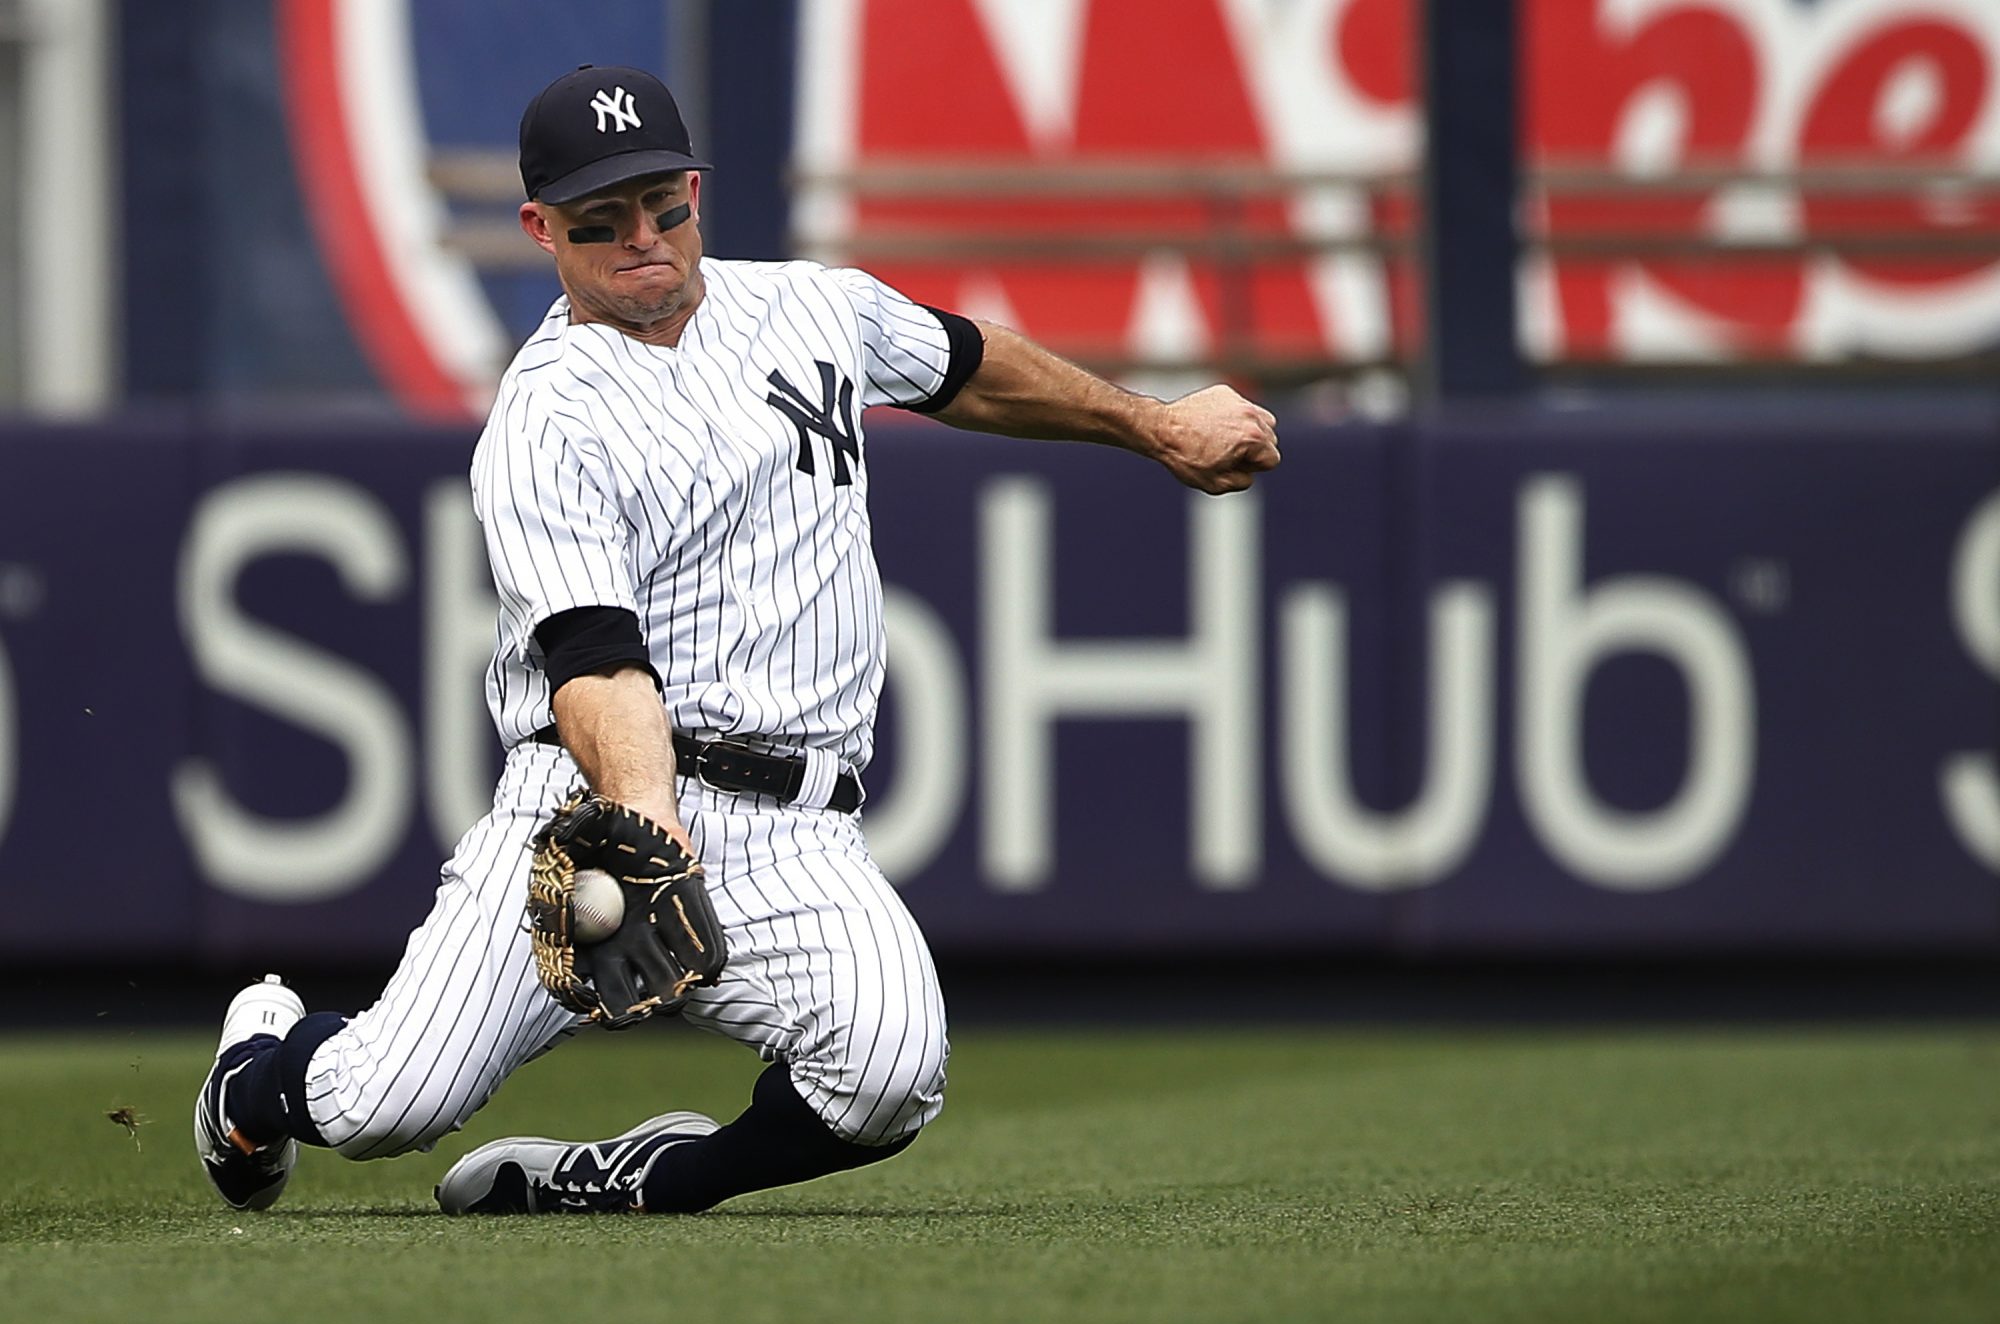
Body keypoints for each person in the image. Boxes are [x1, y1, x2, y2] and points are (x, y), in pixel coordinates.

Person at [193, 64, 1279, 1216]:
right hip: (583, 811)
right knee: (384, 1102)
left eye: (664, 207)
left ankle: (639, 1177)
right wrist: (642, 818)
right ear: (539, 228)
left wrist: (1153, 424)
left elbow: (968, 370)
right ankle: (254, 1078)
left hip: (795, 828)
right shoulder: (542, 416)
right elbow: (596, 661)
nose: (643, 240)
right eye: (600, 222)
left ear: (696, 189)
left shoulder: (813, 309)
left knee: (887, 1076)